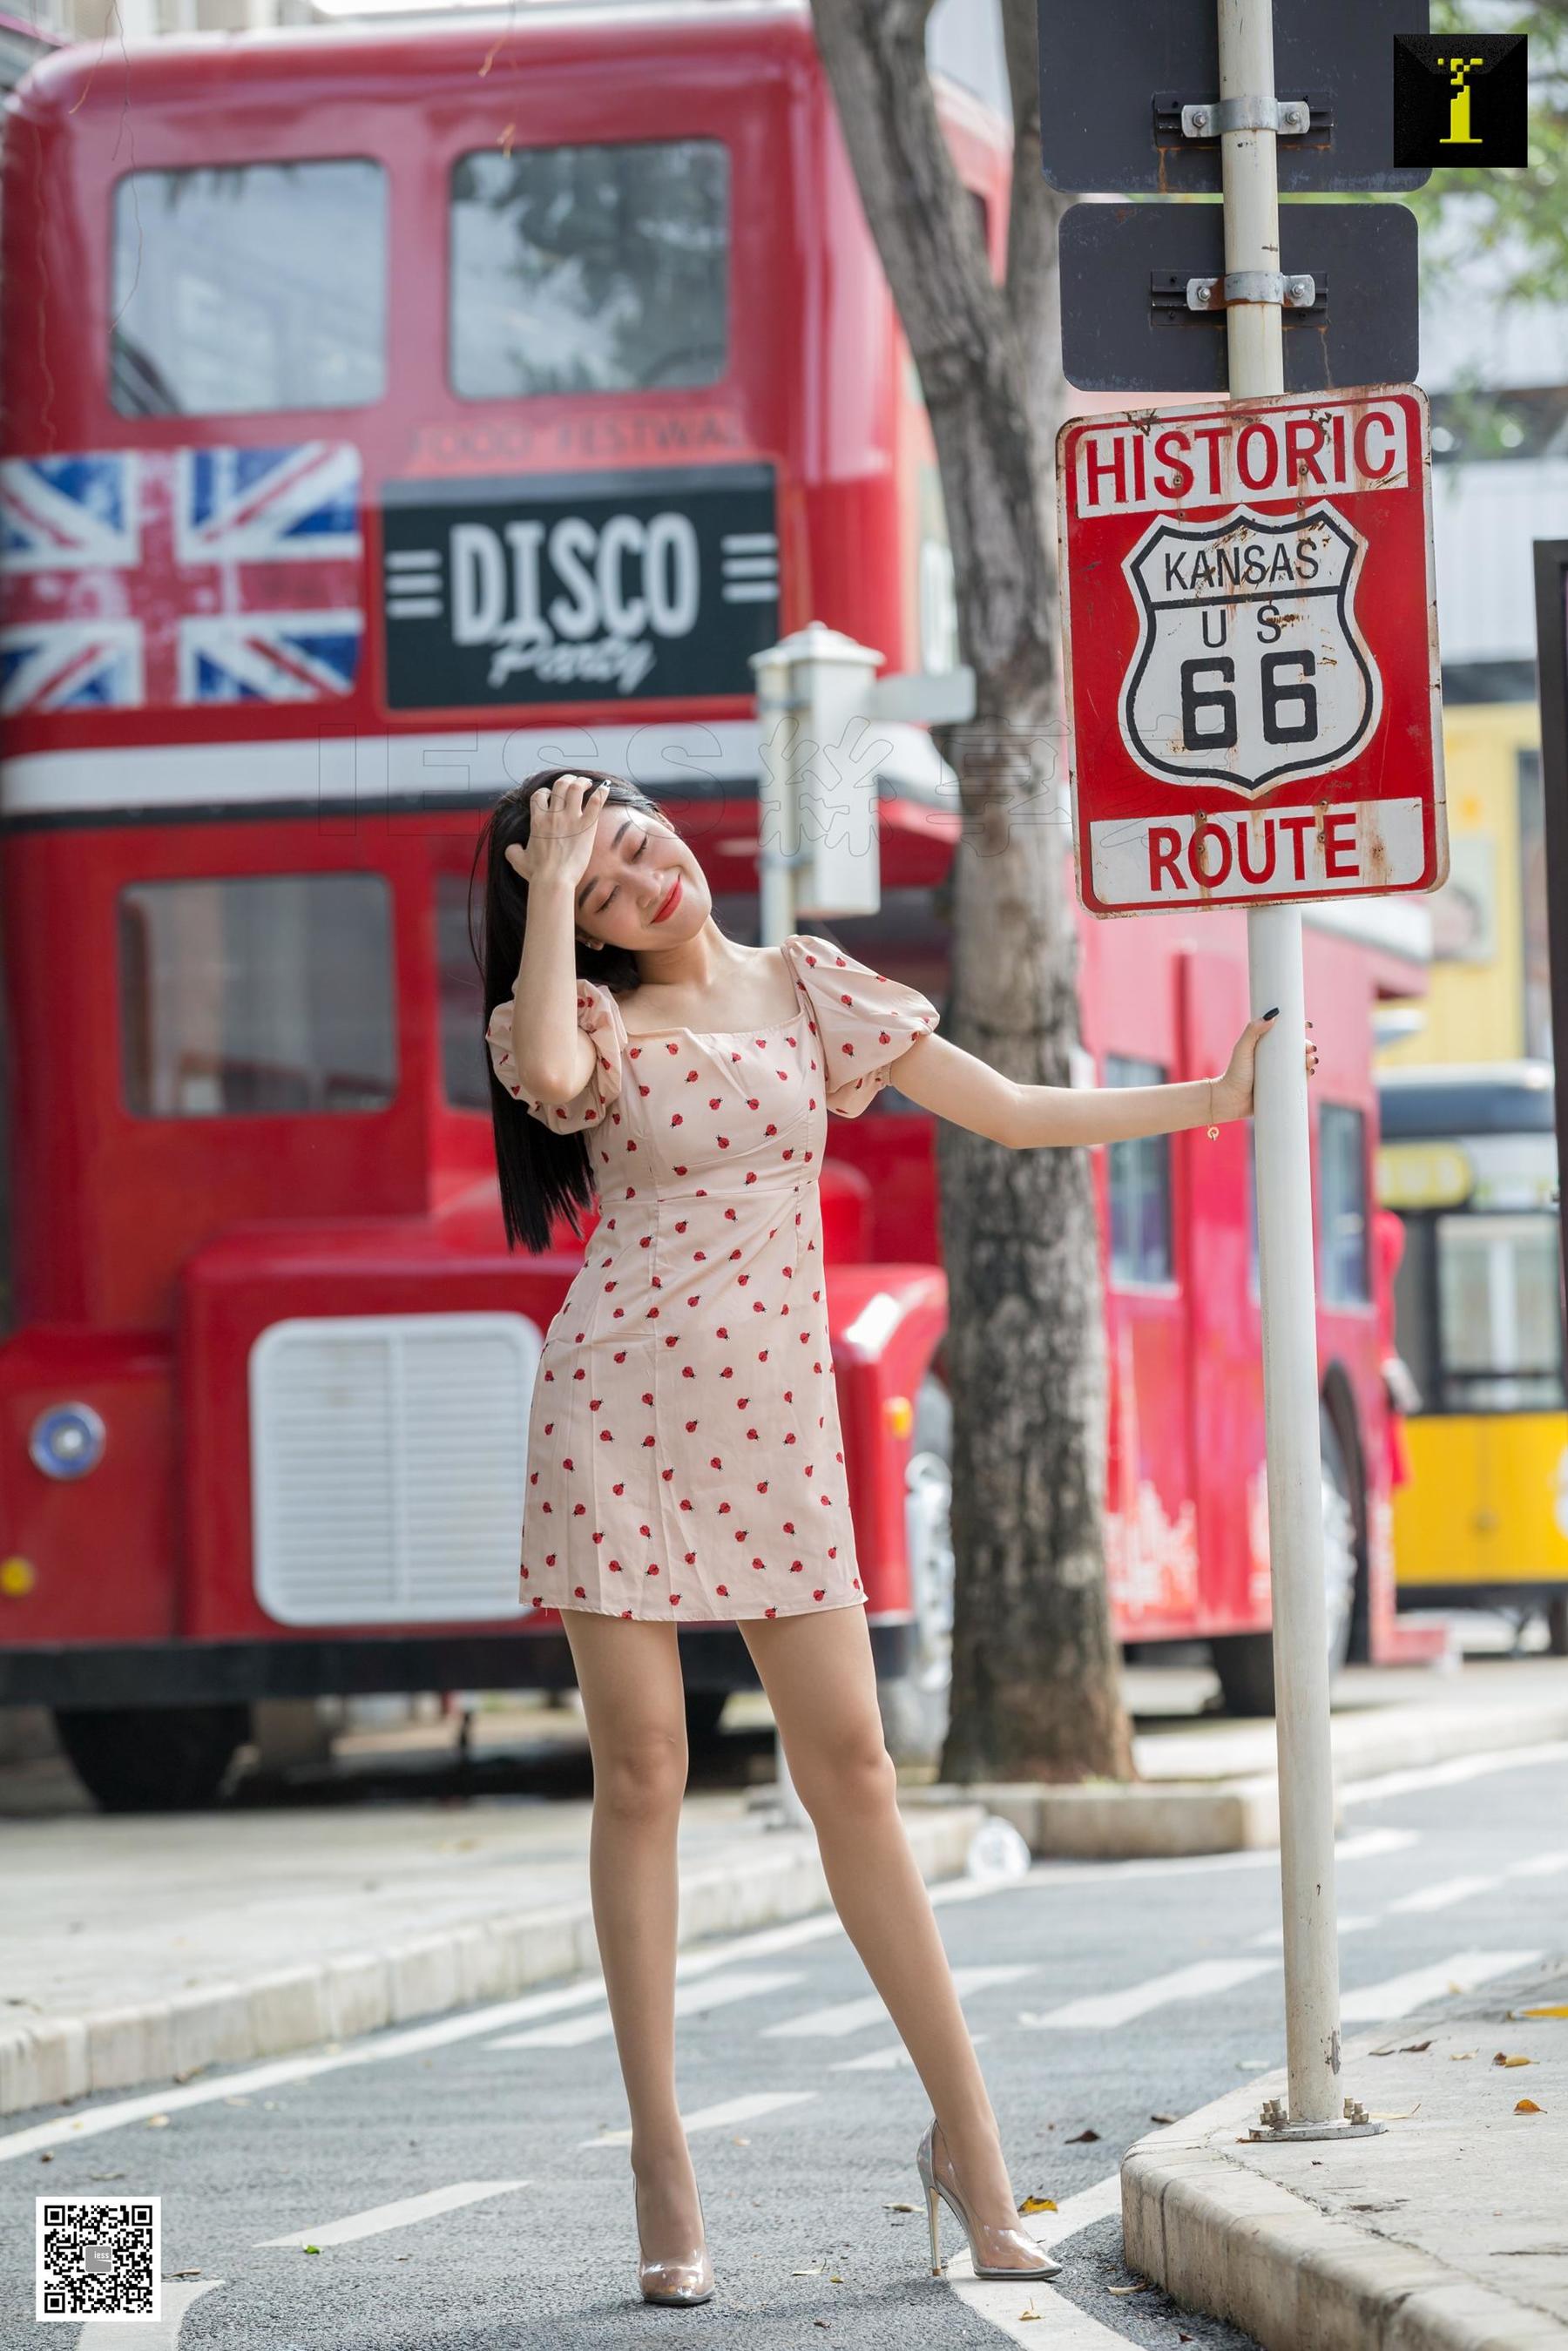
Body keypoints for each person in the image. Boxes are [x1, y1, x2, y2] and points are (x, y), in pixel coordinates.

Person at [475, 767, 1317, 2306]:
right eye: (599, 888)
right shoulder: (586, 1023)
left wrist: (1207, 1101)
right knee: (644, 1770)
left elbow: (1005, 1108)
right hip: (616, 1412)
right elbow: (536, 1062)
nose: (641, 886)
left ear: (683, 835)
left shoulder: (812, 989)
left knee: (857, 1770)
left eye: (639, 848)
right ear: (570, 925)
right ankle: (663, 2156)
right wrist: (543, 899)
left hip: (778, 1428)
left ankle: (972, 2145)